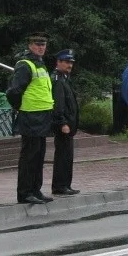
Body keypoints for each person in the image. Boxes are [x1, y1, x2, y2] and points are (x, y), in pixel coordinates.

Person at [6, 32, 55, 205]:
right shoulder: (25, 65)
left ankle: (36, 189)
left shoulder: (40, 64)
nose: (41, 47)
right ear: (30, 46)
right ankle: (25, 193)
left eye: (43, 45)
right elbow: (14, 91)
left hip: (42, 115)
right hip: (31, 116)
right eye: (37, 44)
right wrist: (19, 107)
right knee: (29, 156)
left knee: (39, 155)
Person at [51, 49, 80, 195]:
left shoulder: (64, 78)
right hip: (64, 125)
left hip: (69, 124)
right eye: (67, 62)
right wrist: (62, 123)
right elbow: (58, 104)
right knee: (63, 156)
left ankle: (65, 184)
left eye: (71, 62)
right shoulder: (57, 80)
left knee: (67, 156)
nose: (70, 65)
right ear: (59, 62)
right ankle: (60, 185)